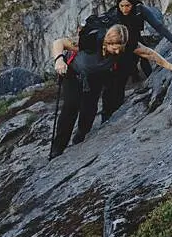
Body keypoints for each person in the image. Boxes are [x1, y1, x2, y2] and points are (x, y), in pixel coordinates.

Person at [50, 22, 128, 158]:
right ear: (107, 42)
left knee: (90, 108)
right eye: (114, 48)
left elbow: (146, 52)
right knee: (70, 106)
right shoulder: (89, 42)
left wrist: (169, 65)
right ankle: (58, 147)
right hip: (74, 73)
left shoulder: (124, 45)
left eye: (119, 49)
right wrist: (59, 60)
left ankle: (80, 135)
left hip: (95, 76)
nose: (117, 52)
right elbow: (59, 42)